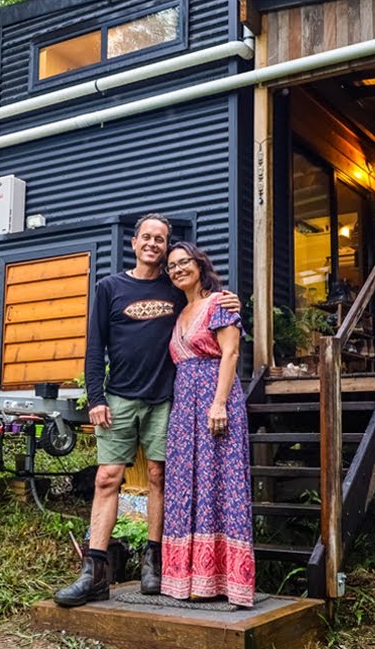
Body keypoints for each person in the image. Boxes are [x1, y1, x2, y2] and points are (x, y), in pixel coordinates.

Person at [54, 214, 239, 607]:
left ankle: (152, 562)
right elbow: (94, 347)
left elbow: (207, 308)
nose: (154, 244)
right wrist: (96, 398)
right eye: (147, 237)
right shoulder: (109, 287)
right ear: (134, 242)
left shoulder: (175, 287)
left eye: (162, 239)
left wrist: (228, 298)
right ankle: (94, 571)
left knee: (158, 475)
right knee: (107, 477)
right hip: (119, 397)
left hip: (166, 398)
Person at [160, 241, 254, 607]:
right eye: (172, 266)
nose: (178, 269)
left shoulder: (219, 303)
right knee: (187, 486)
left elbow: (230, 352)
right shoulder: (179, 314)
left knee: (221, 483)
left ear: (200, 265)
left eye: (184, 262)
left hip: (216, 399)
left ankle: (228, 581)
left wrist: (218, 404)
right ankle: (190, 578)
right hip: (185, 407)